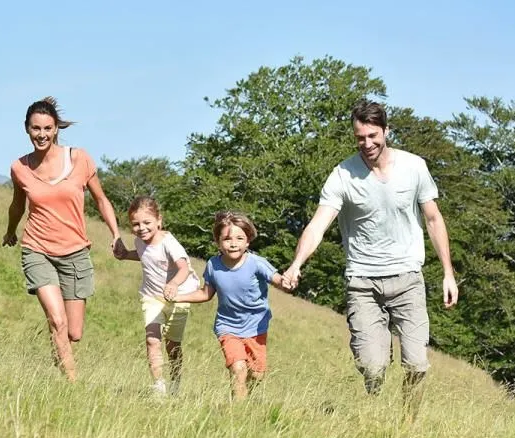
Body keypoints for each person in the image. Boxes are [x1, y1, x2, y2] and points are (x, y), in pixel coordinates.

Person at [281, 99, 458, 412]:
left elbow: (433, 219)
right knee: (373, 369)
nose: (367, 143)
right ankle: (374, 414)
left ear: (386, 132)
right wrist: (296, 264)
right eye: (360, 137)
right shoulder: (343, 175)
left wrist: (448, 273)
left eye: (373, 136)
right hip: (362, 283)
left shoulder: (414, 166)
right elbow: (317, 225)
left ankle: (408, 425)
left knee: (416, 364)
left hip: (407, 279)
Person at [2, 96, 124, 382]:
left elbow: (101, 199)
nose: (41, 134)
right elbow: (18, 205)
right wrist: (11, 230)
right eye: (35, 128)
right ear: (26, 129)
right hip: (37, 249)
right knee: (57, 321)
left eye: (47, 128)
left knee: (73, 332)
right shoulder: (20, 168)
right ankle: (72, 384)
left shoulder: (79, 158)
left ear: (56, 129)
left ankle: (59, 349)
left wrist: (116, 234)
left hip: (75, 252)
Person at [171, 211, 286, 400]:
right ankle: (238, 414)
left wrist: (286, 283)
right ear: (218, 242)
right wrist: (178, 297)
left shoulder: (257, 263)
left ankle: (247, 393)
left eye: (240, 238)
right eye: (227, 238)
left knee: (257, 374)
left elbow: (277, 280)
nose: (233, 243)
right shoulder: (213, 265)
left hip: (256, 326)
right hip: (227, 327)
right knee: (238, 369)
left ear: (248, 241)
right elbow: (205, 293)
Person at [114, 196, 200, 396]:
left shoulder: (170, 243)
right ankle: (158, 387)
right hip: (152, 296)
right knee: (152, 340)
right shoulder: (140, 241)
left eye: (147, 223)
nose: (141, 228)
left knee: (172, 345)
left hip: (178, 297)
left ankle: (175, 384)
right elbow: (145, 254)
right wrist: (126, 254)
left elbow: (183, 268)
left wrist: (173, 284)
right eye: (136, 224)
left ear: (159, 220)